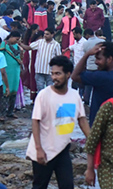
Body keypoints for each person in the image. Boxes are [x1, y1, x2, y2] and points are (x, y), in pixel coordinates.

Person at [29, 55, 91, 189]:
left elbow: (82, 120)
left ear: (68, 74)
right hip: (44, 149)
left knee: (67, 185)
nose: (54, 78)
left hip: (63, 149)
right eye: (52, 74)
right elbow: (35, 121)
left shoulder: (74, 95)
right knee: (39, 186)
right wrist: (38, 149)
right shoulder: (44, 95)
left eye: (58, 74)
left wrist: (93, 141)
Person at [72, 41, 113, 119]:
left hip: (99, 126)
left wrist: (87, 54)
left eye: (98, 59)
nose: (96, 62)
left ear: (109, 59)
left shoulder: (101, 77)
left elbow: (75, 76)